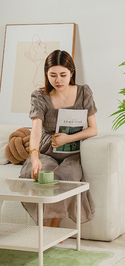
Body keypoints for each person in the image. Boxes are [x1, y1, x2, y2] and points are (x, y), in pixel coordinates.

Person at [19, 49, 98, 228]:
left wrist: (67, 138)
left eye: (63, 74)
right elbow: (36, 130)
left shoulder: (84, 93)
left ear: (71, 73)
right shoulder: (40, 96)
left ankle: (52, 226)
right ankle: (44, 225)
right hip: (47, 150)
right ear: (47, 75)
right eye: (52, 75)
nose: (58, 80)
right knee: (43, 176)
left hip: (71, 152)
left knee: (67, 177)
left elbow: (93, 129)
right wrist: (34, 157)